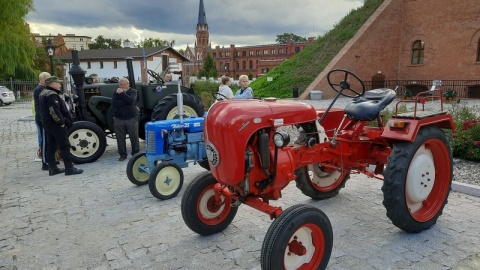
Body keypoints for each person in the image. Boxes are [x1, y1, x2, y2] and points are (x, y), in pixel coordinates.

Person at [39, 76, 83, 176]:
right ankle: (69, 168)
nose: (59, 85)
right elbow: (54, 111)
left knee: (51, 146)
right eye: (58, 83)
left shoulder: (43, 93)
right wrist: (61, 122)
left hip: (47, 123)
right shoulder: (51, 95)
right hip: (55, 124)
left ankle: (52, 168)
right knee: (64, 145)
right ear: (52, 84)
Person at [112, 77, 140, 161]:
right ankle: (122, 154)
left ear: (129, 84)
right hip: (118, 118)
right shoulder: (115, 92)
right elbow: (114, 103)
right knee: (120, 138)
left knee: (134, 137)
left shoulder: (133, 91)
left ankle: (135, 153)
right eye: (121, 85)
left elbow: (131, 101)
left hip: (131, 118)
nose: (123, 86)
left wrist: (122, 95)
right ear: (119, 85)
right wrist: (126, 101)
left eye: (125, 84)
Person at [32, 71, 51, 171]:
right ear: (42, 79)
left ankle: (49, 159)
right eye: (47, 79)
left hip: (42, 118)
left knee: (47, 140)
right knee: (44, 141)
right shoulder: (39, 89)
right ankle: (45, 162)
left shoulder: (41, 89)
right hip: (41, 118)